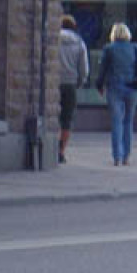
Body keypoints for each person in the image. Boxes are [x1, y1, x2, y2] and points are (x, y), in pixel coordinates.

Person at [95, 21, 137, 166]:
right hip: (132, 88)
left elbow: (103, 69)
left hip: (114, 87)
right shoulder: (134, 48)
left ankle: (116, 156)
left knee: (116, 122)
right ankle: (126, 156)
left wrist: (99, 85)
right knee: (128, 121)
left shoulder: (109, 49)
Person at [56, 14, 88, 164]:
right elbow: (84, 68)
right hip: (70, 84)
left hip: (54, 82)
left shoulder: (54, 40)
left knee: (51, 117)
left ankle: (50, 147)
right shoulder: (79, 43)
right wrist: (80, 81)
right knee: (66, 120)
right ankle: (60, 151)